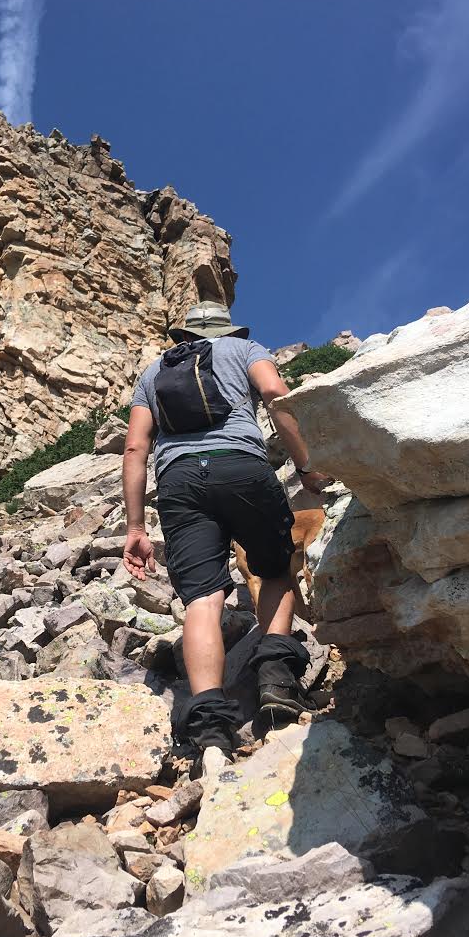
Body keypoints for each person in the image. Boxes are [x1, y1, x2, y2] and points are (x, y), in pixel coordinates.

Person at [122, 301, 330, 766]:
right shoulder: (244, 348)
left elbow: (136, 447)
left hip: (178, 482)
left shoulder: (153, 372)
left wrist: (136, 527)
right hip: (242, 467)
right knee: (275, 568)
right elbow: (275, 393)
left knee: (202, 597)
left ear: (183, 337)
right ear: (227, 329)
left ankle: (211, 728)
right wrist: (307, 467)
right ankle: (276, 678)